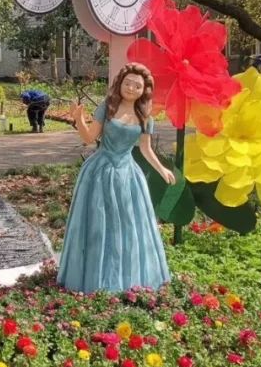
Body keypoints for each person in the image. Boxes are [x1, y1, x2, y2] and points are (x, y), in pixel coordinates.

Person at [57, 62, 174, 294]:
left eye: (137, 86)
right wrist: (78, 119)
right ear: (120, 84)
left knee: (129, 224)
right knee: (98, 223)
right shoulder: (107, 108)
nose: (131, 88)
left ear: (144, 91)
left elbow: (146, 149)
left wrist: (162, 169)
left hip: (128, 175)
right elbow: (90, 138)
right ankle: (95, 277)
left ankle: (129, 277)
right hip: (99, 173)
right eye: (128, 83)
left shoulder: (144, 118)